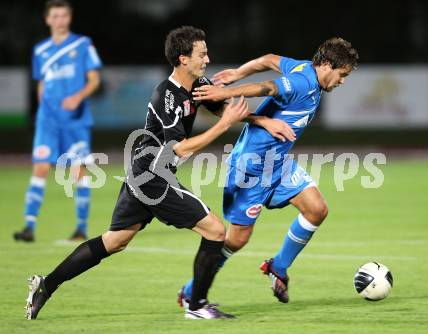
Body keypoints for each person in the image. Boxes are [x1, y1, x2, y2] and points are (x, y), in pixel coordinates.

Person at [25, 25, 256, 321]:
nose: (208, 59)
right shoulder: (168, 96)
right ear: (183, 59)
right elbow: (182, 149)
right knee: (215, 230)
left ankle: (46, 284)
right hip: (152, 175)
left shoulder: (197, 85)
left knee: (115, 240)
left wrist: (262, 121)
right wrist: (225, 126)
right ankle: (196, 306)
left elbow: (225, 108)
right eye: (202, 54)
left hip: (142, 173)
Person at [178, 37, 359, 306]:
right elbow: (266, 87)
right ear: (326, 65)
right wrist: (225, 93)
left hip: (277, 163)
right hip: (250, 168)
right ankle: (191, 290)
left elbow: (269, 59)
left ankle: (278, 268)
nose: (342, 81)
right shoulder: (303, 82)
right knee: (236, 240)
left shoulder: (303, 68)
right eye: (341, 74)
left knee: (316, 209)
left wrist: (239, 72)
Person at [13, 0, 102, 242]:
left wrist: (77, 97)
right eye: (55, 16)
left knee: (77, 170)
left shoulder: (82, 45)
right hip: (48, 120)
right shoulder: (40, 50)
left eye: (64, 15)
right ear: (47, 19)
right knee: (40, 166)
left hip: (75, 120)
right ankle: (29, 227)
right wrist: (42, 107)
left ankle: (81, 228)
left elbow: (94, 79)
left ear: (69, 18)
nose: (60, 20)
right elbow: (42, 81)